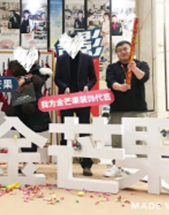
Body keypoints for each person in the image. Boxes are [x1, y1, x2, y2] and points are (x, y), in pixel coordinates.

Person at [104, 40, 150, 178]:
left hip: (137, 109)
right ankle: (117, 166)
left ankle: (145, 168)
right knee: (117, 140)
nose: (123, 52)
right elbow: (110, 82)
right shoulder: (112, 67)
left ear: (131, 50)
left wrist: (134, 68)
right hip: (118, 109)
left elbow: (144, 77)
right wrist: (119, 87)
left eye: (125, 49)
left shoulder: (141, 64)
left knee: (141, 139)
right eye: (119, 50)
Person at [54, 39, 97, 175]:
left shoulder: (87, 58)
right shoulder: (61, 59)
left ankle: (86, 164)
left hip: (82, 98)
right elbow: (57, 79)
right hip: (66, 99)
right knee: (66, 130)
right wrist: (64, 87)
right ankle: (64, 162)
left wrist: (88, 86)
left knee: (84, 130)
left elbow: (93, 78)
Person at [5, 59, 52, 150]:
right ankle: (26, 156)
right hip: (19, 107)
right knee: (23, 136)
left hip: (34, 108)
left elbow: (39, 82)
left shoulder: (40, 71)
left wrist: (25, 79)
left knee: (32, 137)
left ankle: (32, 156)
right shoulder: (19, 68)